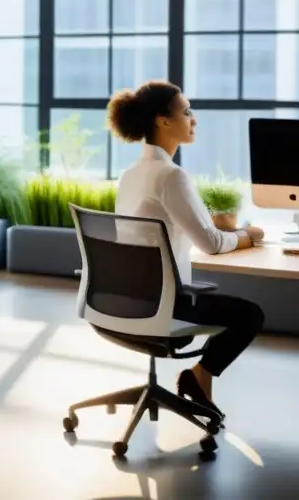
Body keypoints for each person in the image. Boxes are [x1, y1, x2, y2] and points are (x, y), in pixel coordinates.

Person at [108, 80, 265, 421]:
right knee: (249, 315)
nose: (194, 119)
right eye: (187, 111)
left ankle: (200, 383)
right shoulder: (171, 175)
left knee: (229, 308)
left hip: (120, 299)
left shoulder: (131, 173)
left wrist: (216, 228)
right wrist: (248, 235)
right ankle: (199, 375)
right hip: (161, 304)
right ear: (163, 121)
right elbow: (209, 245)